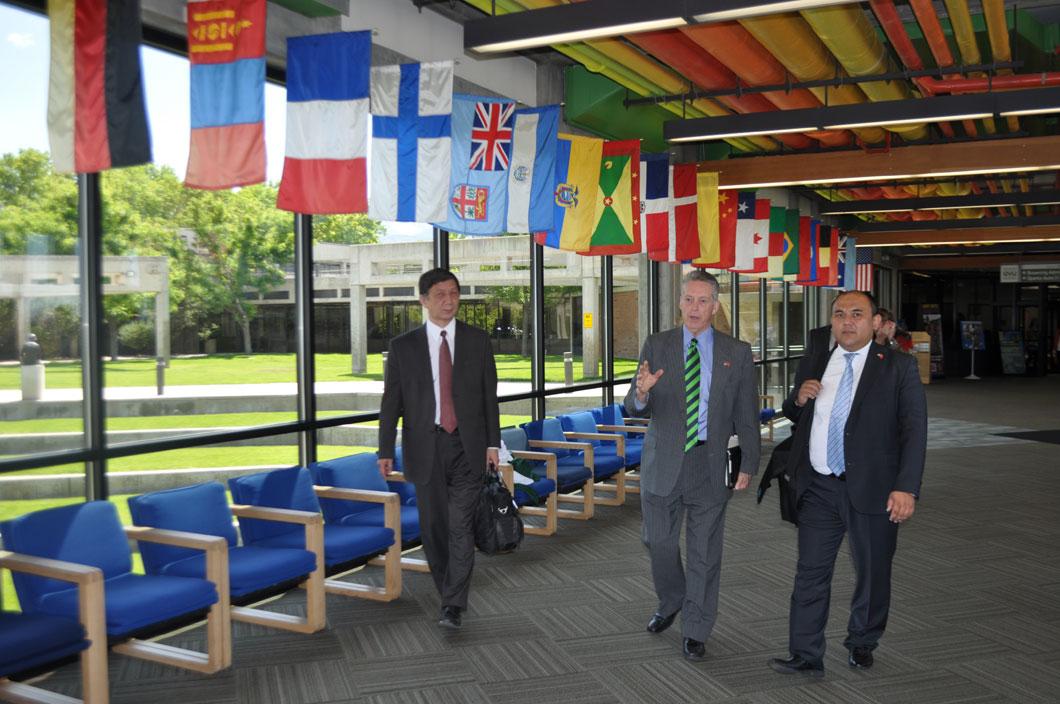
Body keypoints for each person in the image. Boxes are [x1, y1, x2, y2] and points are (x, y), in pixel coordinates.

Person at [769, 290, 927, 678]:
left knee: (872, 572)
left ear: (875, 322)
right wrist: (798, 399)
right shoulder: (817, 359)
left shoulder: (898, 367)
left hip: (874, 488)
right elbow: (794, 413)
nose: (847, 321)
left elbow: (914, 431)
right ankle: (806, 652)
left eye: (857, 314)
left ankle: (862, 641)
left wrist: (906, 487)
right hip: (820, 487)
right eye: (839, 314)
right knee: (810, 572)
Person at [624, 269, 761, 661]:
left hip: (710, 463)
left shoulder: (737, 352)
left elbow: (746, 414)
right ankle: (672, 600)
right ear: (679, 303)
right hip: (663, 462)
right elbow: (634, 408)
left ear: (715, 306)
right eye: (689, 299)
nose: (695, 307)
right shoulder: (658, 344)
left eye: (704, 300)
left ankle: (697, 628)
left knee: (704, 552)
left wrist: (748, 463)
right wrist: (640, 394)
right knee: (659, 542)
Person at [378, 268, 501, 629]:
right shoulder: (404, 347)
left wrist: (493, 443)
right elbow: (391, 402)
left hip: (468, 446)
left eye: (454, 294)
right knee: (434, 528)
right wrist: (385, 449)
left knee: (460, 524)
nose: (449, 301)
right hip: (425, 445)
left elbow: (488, 397)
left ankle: (452, 604)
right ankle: (449, 587)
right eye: (441, 295)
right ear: (424, 301)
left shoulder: (477, 341)